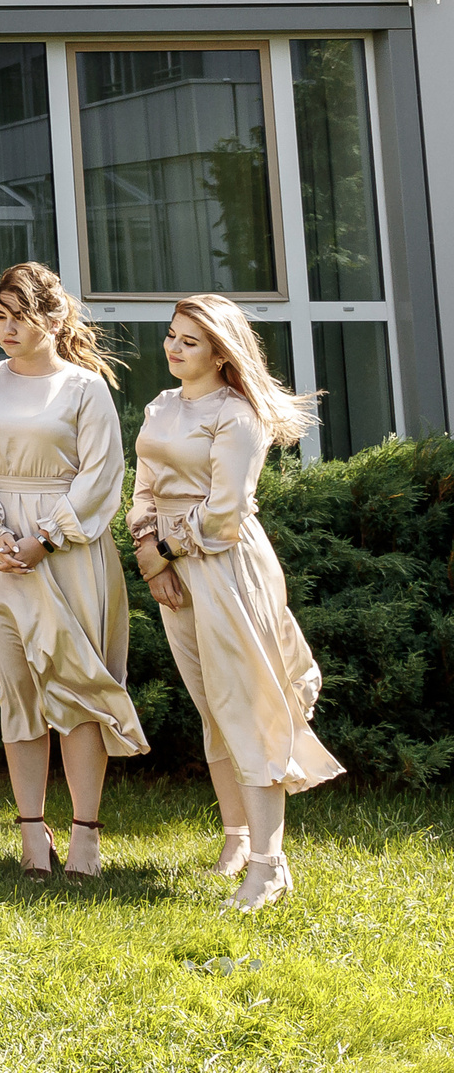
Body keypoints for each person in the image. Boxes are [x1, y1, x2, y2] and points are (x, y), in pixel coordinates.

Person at [130, 294, 341, 911]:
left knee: (246, 705)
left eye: (189, 341)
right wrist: (150, 558)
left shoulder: (238, 414)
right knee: (212, 706)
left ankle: (271, 865)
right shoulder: (161, 406)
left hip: (228, 569)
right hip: (173, 567)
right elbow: (142, 487)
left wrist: (163, 547)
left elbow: (224, 517)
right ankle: (237, 837)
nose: (173, 348)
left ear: (222, 353)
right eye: (171, 335)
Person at [0, 260, 147, 883]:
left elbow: (101, 477)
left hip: (69, 548)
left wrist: (44, 537)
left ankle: (86, 833)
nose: (6, 329)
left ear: (54, 318)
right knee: (20, 688)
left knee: (76, 683)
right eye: (0, 316)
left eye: (20, 316)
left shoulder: (84, 389)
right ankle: (32, 834)